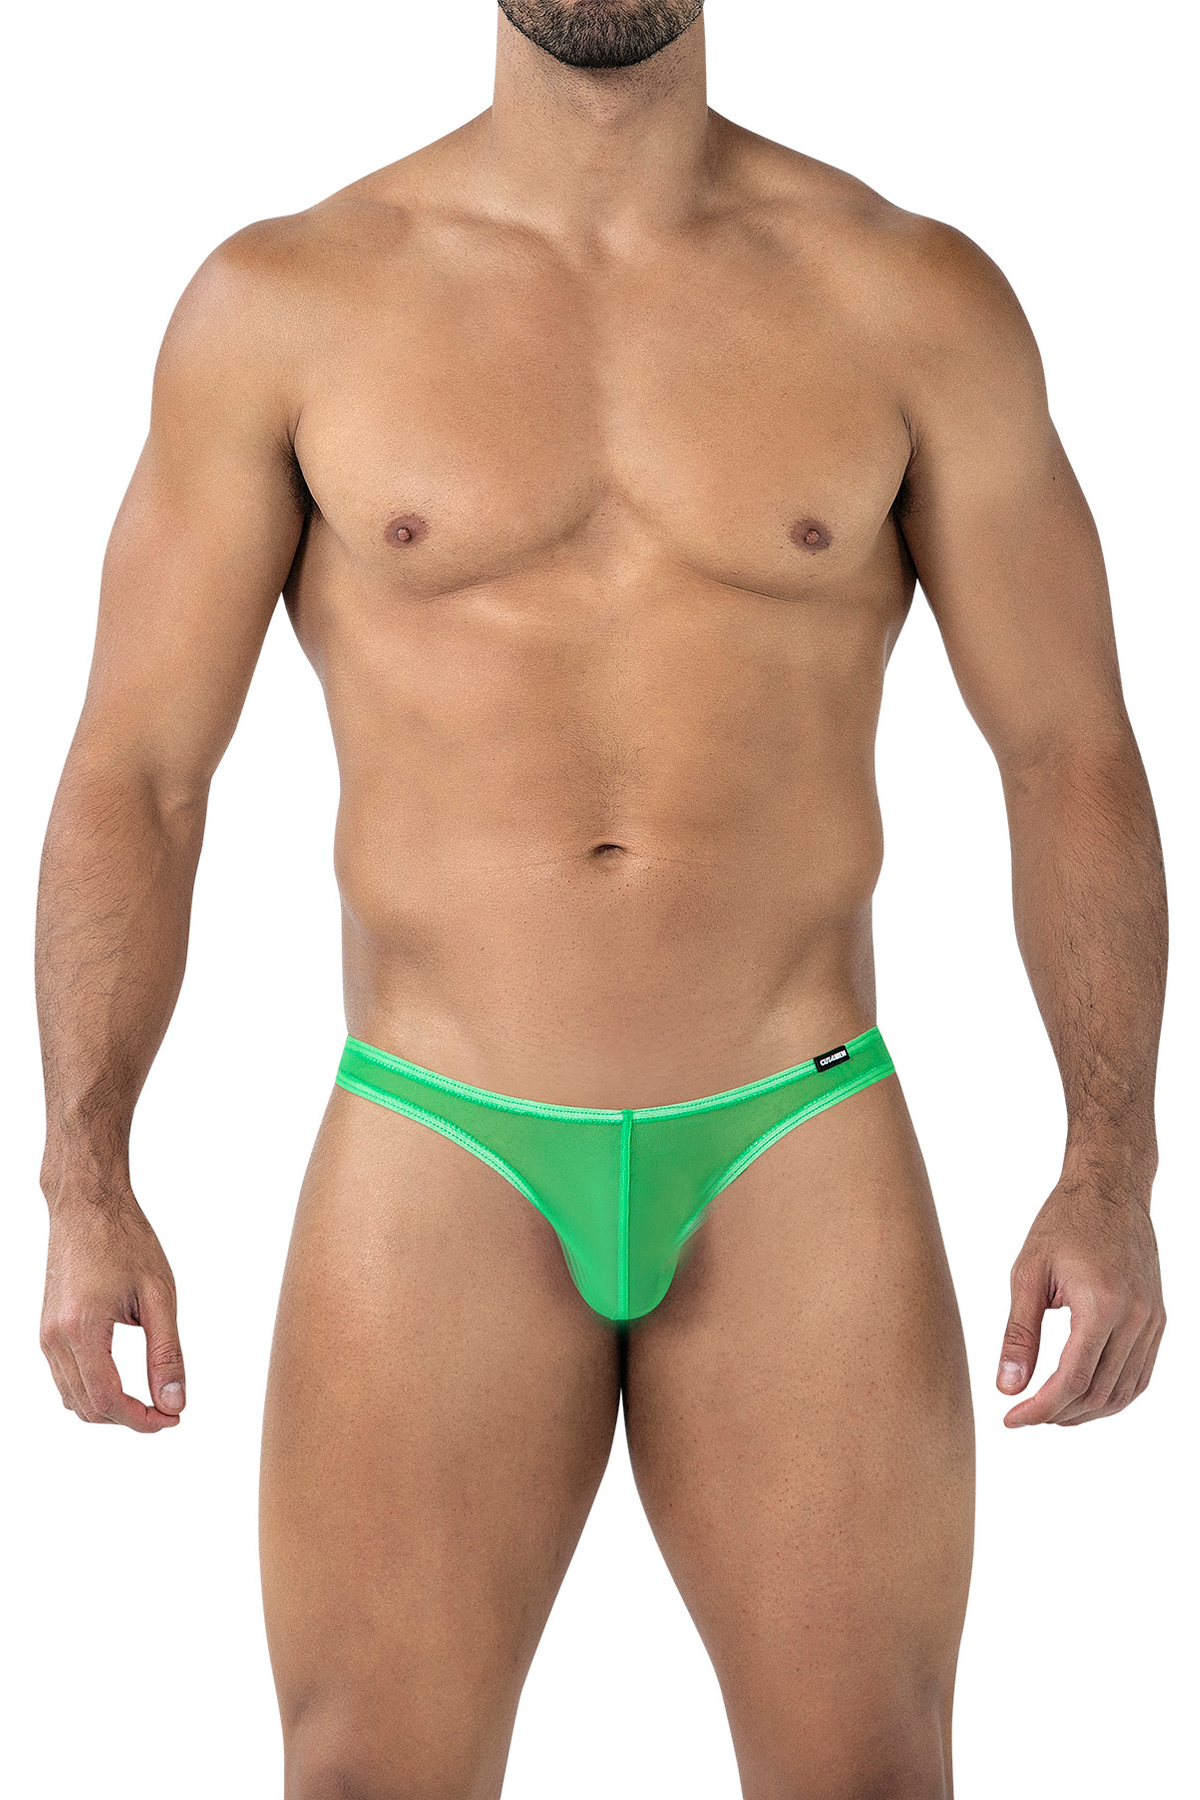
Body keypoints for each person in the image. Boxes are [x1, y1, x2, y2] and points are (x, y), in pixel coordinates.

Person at [34, 2, 1167, 1794]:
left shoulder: (909, 298)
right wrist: (85, 1177)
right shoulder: (287, 304)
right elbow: (140, 772)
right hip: (440, 1124)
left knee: (871, 1775)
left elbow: (1068, 752)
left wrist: (1110, 1169)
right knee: (364, 1777)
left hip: (793, 1124)